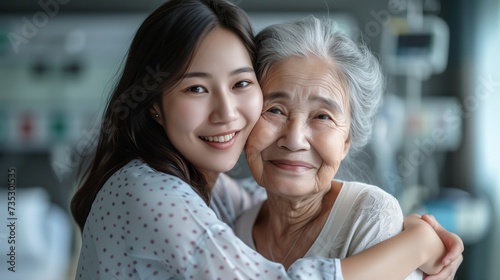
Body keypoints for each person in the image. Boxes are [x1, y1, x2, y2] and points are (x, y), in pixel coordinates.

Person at [70, 0, 462, 279]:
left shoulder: (214, 193)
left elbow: (280, 198)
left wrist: (402, 223)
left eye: (240, 83)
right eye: (195, 89)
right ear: (154, 104)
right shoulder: (151, 193)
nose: (226, 113)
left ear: (348, 140)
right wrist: (420, 245)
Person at [235, 15, 462, 280]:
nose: (294, 139)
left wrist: (423, 242)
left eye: (322, 116)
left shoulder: (369, 217)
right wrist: (421, 242)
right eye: (274, 110)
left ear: (346, 141)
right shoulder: (235, 223)